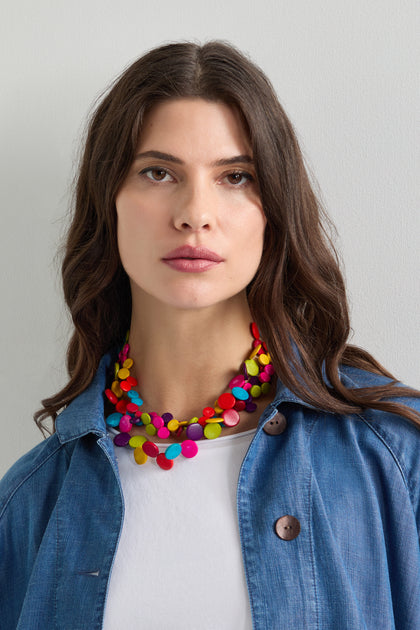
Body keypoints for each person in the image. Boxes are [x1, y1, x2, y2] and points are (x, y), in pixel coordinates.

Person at [1, 40, 419, 630]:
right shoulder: (31, 503)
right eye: (158, 172)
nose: (195, 212)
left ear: (273, 209)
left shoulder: (394, 455)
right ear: (110, 201)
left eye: (235, 176)